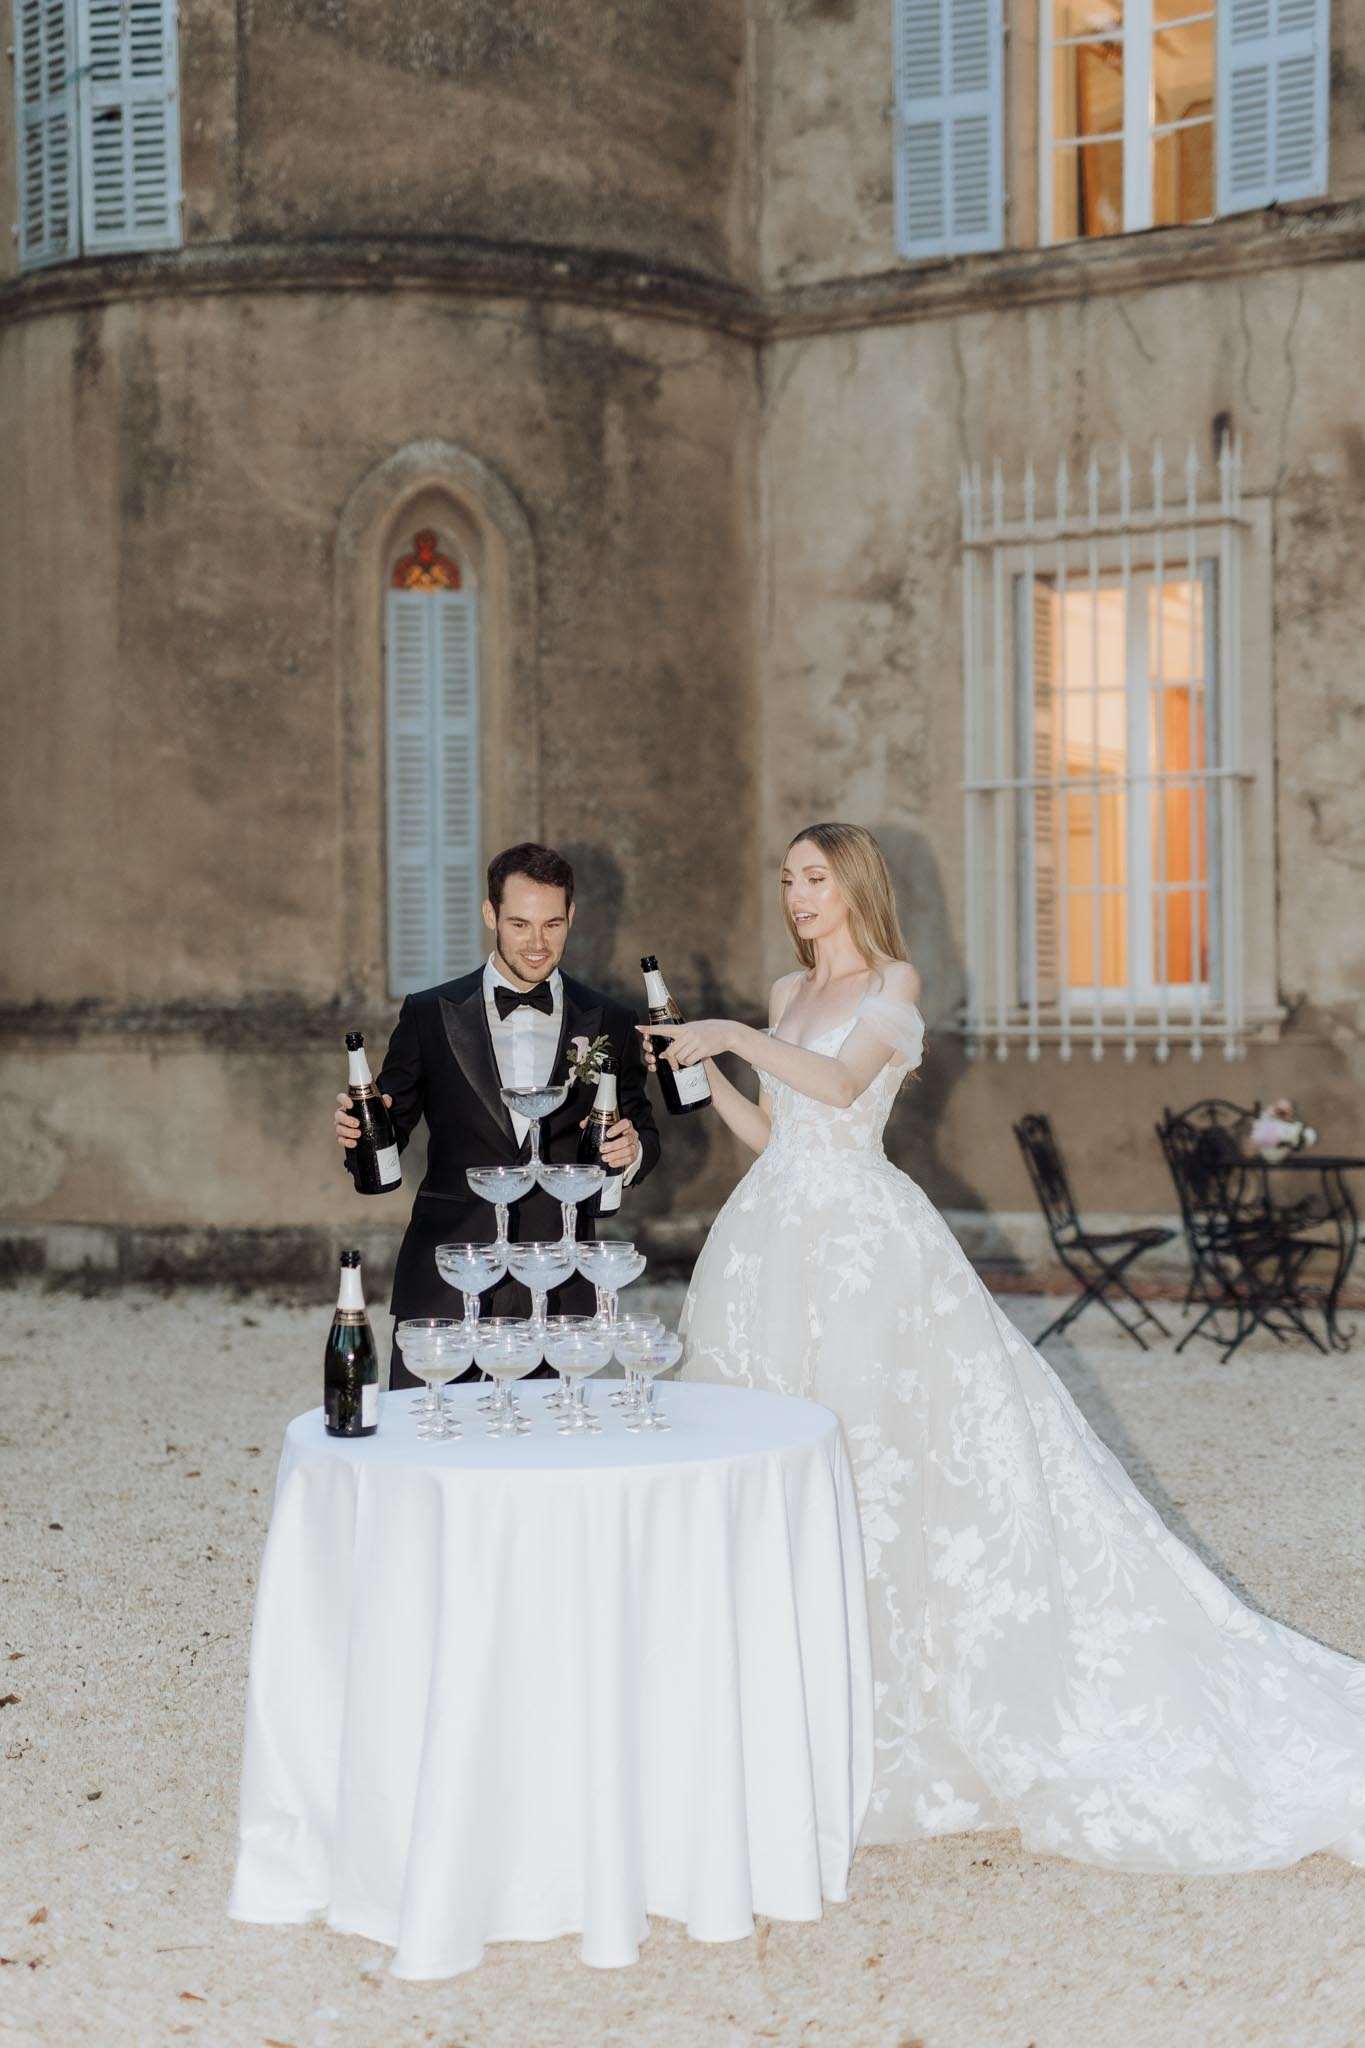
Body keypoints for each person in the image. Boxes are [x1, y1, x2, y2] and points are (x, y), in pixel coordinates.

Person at [647, 821, 1365, 1872]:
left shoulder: (895, 977)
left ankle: (905, 1699)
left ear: (851, 884)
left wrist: (734, 1036)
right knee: (776, 1458)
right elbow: (774, 1130)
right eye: (789, 880)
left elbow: (842, 1090)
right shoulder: (781, 991)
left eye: (813, 878)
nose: (797, 896)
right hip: (769, 1240)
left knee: (882, 1457)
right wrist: (702, 1068)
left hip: (864, 1246)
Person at [336, 842, 660, 1388]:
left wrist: (633, 1150)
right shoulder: (428, 1013)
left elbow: (642, 1127)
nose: (537, 944)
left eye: (553, 924)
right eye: (520, 924)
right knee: (426, 1441)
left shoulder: (611, 1019)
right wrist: (357, 1129)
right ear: (490, 915)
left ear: (572, 917)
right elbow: (390, 1123)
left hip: (557, 1278)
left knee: (543, 1458)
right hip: (448, 1270)